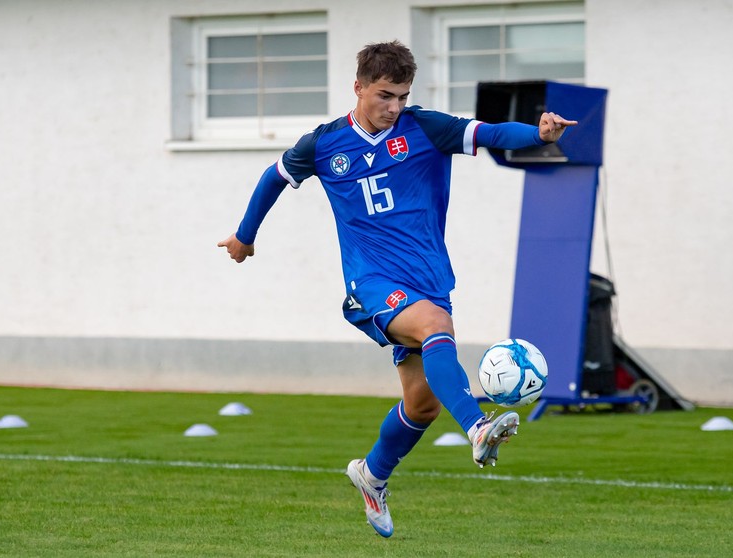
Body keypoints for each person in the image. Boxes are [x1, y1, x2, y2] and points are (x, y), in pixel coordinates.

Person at [218, 41, 576, 538]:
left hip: (428, 281)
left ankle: (372, 475)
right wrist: (244, 235)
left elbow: (490, 132)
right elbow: (273, 177)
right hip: (370, 284)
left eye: (403, 97)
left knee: (423, 404)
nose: (394, 107)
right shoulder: (323, 144)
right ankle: (477, 427)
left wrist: (537, 133)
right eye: (386, 95)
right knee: (435, 326)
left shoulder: (425, 128)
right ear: (359, 87)